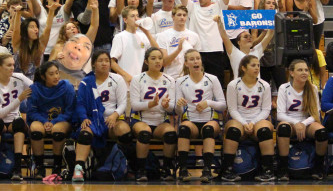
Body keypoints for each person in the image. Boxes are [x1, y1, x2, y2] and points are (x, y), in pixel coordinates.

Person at [72, 50, 131, 181]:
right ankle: (78, 169)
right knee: (85, 132)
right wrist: (84, 118)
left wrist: (114, 116)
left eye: (107, 61)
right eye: (100, 61)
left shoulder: (117, 79)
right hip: (93, 120)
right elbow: (80, 104)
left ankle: (125, 165)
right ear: (93, 64)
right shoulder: (86, 82)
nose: (104, 63)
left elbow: (122, 103)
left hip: (111, 120)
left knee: (125, 131)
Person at [220, 55, 275, 182]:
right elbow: (232, 109)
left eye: (258, 65)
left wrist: (253, 123)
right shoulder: (233, 85)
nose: (257, 68)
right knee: (233, 130)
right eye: (253, 65)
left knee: (265, 130)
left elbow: (266, 109)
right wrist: (245, 123)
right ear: (243, 68)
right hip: (239, 119)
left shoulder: (265, 85)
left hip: (258, 119)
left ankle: (268, 170)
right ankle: (227, 170)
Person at [176, 0, 229, 85]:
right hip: (197, 52)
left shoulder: (218, 6)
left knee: (216, 83)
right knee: (196, 83)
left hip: (215, 51)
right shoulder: (192, 7)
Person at [175, 49, 226, 182]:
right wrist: (179, 105)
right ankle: (183, 169)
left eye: (197, 58)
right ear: (186, 63)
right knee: (183, 129)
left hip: (209, 120)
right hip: (190, 121)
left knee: (208, 130)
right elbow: (178, 112)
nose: (196, 61)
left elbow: (223, 105)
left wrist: (208, 103)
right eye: (192, 59)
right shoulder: (180, 81)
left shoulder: (212, 79)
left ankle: (207, 170)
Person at [130, 47, 177, 181]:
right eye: (153, 58)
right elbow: (134, 105)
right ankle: (141, 169)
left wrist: (166, 106)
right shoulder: (137, 79)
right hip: (141, 120)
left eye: (160, 58)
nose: (157, 61)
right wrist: (150, 104)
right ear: (146, 61)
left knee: (171, 134)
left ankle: (166, 168)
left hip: (161, 121)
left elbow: (172, 108)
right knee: (144, 133)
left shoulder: (170, 80)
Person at [276, 59, 327, 181]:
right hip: (289, 122)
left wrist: (303, 124)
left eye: (306, 70)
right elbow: (280, 115)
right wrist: (296, 123)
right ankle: (283, 169)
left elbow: (315, 115)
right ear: (292, 73)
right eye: (300, 70)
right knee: (283, 128)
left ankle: (318, 168)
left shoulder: (312, 88)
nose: (304, 72)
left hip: (307, 123)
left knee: (322, 133)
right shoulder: (284, 88)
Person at [0, 53, 32, 181]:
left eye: (13, 65)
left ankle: (17, 169)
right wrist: (19, 99)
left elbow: (36, 89)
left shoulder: (20, 78)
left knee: (20, 123)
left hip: (13, 120)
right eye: (9, 65)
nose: (12, 68)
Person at [27, 61, 76, 179]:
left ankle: (57, 166)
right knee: (36, 130)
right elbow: (32, 112)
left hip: (61, 120)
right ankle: (39, 167)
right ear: (43, 76)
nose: (56, 77)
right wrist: (44, 122)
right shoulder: (34, 88)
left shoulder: (67, 87)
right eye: (51, 74)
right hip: (42, 119)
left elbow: (70, 111)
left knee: (57, 131)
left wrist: (53, 122)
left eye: (57, 73)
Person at [157, 6, 200, 79]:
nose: (182, 17)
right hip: (170, 77)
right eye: (179, 15)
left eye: (184, 15)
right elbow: (164, 62)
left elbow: (198, 61)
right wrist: (178, 50)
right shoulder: (163, 35)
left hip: (189, 77)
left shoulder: (194, 36)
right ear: (173, 16)